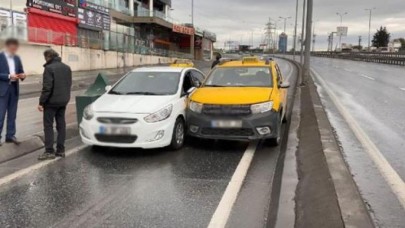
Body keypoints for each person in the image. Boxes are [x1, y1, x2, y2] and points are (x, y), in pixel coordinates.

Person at [38, 49, 72, 160]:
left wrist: (41, 102)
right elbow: (69, 84)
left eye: (45, 58)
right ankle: (61, 150)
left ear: (48, 57)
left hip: (51, 102)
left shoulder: (49, 68)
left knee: (48, 125)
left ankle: (49, 151)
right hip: (63, 101)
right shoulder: (67, 68)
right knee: (61, 125)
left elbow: (47, 88)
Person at [0, 38, 26, 146]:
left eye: (16, 48)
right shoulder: (0, 57)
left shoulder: (17, 58)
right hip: (2, 89)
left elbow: (21, 70)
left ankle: (10, 136)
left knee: (12, 114)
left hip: (14, 89)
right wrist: (8, 76)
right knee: (0, 115)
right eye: (12, 47)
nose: (14, 49)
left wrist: (23, 75)